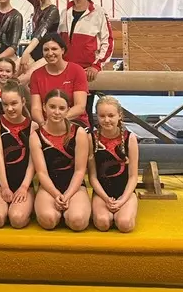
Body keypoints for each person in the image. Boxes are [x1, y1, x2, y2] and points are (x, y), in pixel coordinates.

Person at [30, 89, 91, 231]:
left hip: (75, 186)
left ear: (68, 110)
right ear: (44, 107)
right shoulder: (36, 136)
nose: (56, 112)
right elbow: (42, 172)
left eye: (61, 108)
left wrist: (67, 195)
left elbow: (80, 170)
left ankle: (70, 211)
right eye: (52, 107)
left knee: (78, 221)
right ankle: (59, 212)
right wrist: (56, 194)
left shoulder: (79, 133)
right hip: (48, 187)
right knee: (48, 220)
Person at [59, 0, 114, 124]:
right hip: (66, 69)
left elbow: (108, 41)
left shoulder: (98, 12)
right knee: (64, 109)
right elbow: (59, 43)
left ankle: (87, 136)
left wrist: (97, 65)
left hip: (86, 71)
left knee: (83, 111)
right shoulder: (65, 13)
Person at [0, 81, 36, 229]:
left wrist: (24, 187)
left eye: (14, 103)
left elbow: (32, 163)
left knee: (17, 219)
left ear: (23, 101)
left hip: (24, 183)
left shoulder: (32, 126)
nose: (9, 108)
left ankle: (27, 209)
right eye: (5, 104)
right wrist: (4, 187)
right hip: (0, 182)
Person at [88, 96, 138, 233]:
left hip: (125, 192)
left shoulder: (130, 138)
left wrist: (123, 200)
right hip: (102, 193)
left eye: (111, 115)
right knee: (102, 223)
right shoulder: (91, 138)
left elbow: (133, 176)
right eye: (102, 116)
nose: (106, 120)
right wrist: (105, 198)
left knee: (125, 224)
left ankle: (124, 210)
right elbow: (92, 176)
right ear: (97, 116)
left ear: (119, 115)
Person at [6, 0, 59, 84]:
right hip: (34, 51)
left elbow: (41, 32)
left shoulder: (53, 10)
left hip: (48, 54)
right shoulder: (37, 5)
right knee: (9, 73)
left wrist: (26, 52)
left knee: (19, 80)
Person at [30, 33, 89, 128]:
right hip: (46, 124)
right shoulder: (36, 75)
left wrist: (58, 120)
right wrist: (43, 124)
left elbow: (80, 106)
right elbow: (36, 108)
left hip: (74, 122)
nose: (50, 53)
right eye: (46, 50)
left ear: (62, 50)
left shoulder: (77, 70)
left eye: (54, 49)